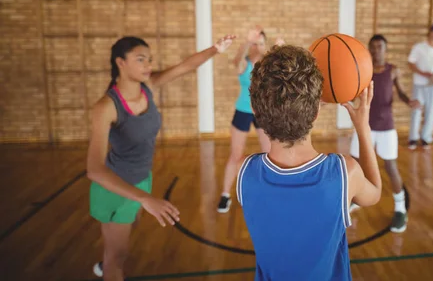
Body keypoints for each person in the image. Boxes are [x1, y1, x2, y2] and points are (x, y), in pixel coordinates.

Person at [87, 34, 235, 281]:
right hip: (116, 188)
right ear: (120, 63)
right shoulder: (106, 107)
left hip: (141, 179)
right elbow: (94, 170)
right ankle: (109, 266)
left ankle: (108, 258)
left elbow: (186, 66)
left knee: (124, 234)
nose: (148, 65)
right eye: (140, 59)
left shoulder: (148, 87)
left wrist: (216, 49)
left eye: (150, 60)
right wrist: (145, 198)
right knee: (118, 257)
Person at [237, 45, 382, 280]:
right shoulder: (344, 172)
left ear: (255, 110)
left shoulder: (245, 173)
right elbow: (374, 193)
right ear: (316, 111)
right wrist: (362, 128)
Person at [349, 34, 420, 233]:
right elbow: (354, 92)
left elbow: (402, 93)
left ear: (385, 50)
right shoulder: (364, 71)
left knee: (390, 167)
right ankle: (356, 199)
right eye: (372, 47)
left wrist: (410, 102)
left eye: (379, 47)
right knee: (355, 165)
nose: (376, 50)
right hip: (365, 126)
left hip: (387, 127)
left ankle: (399, 209)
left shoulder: (393, 71)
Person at [217, 26, 284, 213]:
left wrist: (280, 51)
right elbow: (236, 60)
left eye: (261, 43)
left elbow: (284, 72)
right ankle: (225, 195)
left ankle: (271, 192)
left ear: (265, 46)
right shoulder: (243, 63)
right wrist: (246, 41)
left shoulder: (269, 65)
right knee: (235, 155)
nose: (257, 47)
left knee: (269, 155)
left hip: (263, 112)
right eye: (254, 43)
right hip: (243, 111)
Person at [407, 24, 433, 150]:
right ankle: (413, 138)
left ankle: (426, 137)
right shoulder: (419, 47)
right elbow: (411, 63)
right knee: (417, 110)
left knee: (432, 111)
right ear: (430, 32)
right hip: (420, 82)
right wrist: (422, 73)